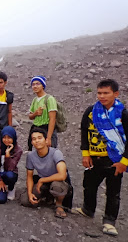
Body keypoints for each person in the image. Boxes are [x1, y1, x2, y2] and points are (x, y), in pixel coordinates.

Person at [74, 79, 128, 236]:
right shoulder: (91, 111)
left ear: (115, 94)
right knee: (88, 185)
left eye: (106, 93)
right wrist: (85, 153)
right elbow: (84, 131)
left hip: (114, 160)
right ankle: (87, 209)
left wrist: (124, 161)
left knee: (113, 192)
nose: (102, 96)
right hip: (93, 158)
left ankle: (109, 221)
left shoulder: (122, 114)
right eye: (99, 93)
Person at [20, 128, 73, 219]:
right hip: (44, 183)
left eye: (40, 138)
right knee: (25, 201)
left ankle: (59, 205)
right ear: (31, 142)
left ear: (46, 140)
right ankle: (47, 197)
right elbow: (29, 176)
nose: (37, 141)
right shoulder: (30, 156)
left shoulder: (56, 153)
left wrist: (42, 180)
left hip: (58, 182)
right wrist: (29, 193)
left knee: (57, 185)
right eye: (34, 139)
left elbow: (62, 175)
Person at [0, 126, 22, 204]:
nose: (6, 140)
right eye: (4, 137)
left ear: (14, 138)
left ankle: (11, 188)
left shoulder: (18, 150)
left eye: (9, 138)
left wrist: (7, 155)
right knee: (1, 200)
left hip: (8, 174)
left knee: (10, 175)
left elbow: (11, 168)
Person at [28, 76, 58, 150]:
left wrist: (48, 138)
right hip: (36, 129)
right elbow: (30, 116)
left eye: (38, 84)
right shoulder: (34, 100)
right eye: (33, 84)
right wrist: (35, 113)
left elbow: (52, 119)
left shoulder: (49, 99)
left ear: (43, 86)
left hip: (46, 128)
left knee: (48, 153)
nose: (35, 86)